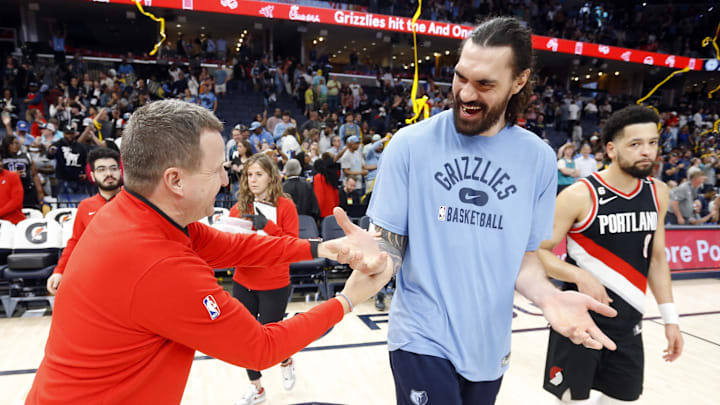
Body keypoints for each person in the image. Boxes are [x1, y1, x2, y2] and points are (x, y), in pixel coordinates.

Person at [26, 100, 393, 404]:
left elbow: (235, 245)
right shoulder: (159, 262)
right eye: (216, 170)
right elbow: (261, 348)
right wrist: (348, 298)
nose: (224, 180)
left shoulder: (135, 214)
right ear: (175, 180)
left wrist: (324, 247)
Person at [366, 17, 617, 405]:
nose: (466, 93)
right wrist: (374, 257)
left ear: (519, 82)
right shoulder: (409, 144)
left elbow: (524, 258)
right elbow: (390, 244)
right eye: (460, 77)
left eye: (484, 84)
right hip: (420, 336)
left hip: (488, 347)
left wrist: (550, 298)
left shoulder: (537, 158)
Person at [538, 105, 684, 403]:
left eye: (653, 143)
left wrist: (671, 319)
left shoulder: (658, 192)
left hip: (629, 328)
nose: (647, 151)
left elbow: (656, 259)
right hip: (579, 326)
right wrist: (575, 273)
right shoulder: (580, 195)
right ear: (611, 149)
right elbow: (537, 252)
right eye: (635, 144)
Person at [230, 153, 302, 404]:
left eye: (258, 174)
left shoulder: (285, 206)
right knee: (244, 338)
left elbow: (292, 245)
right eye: (249, 175)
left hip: (274, 282)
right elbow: (228, 243)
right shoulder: (239, 208)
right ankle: (257, 388)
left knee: (271, 339)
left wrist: (266, 225)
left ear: (271, 177)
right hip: (243, 280)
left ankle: (286, 359)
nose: (252, 179)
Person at [46, 147, 123, 295]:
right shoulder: (86, 206)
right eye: (101, 170)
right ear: (92, 176)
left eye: (113, 168)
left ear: (120, 172)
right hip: (98, 279)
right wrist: (59, 271)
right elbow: (75, 242)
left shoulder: (135, 201)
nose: (109, 174)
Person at [0, 135, 44, 208]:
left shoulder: (26, 155)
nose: (15, 146)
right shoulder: (2, 156)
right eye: (12, 143)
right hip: (8, 191)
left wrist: (40, 191)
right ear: (6, 144)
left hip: (26, 189)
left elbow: (34, 174)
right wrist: (11, 175)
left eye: (17, 143)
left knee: (30, 212)